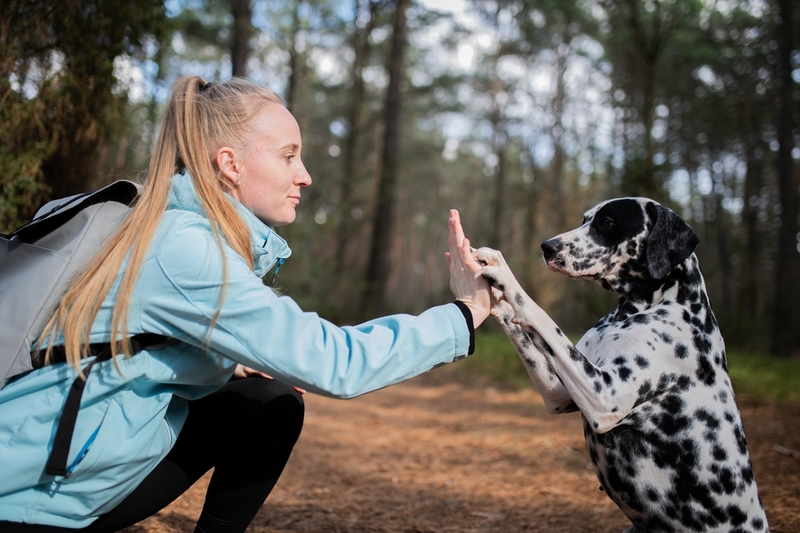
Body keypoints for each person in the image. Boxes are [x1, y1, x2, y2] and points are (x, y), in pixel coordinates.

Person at [0, 76, 491, 533]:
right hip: (34, 499)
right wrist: (464, 315)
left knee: (268, 401)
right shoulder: (184, 247)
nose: (305, 175)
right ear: (230, 164)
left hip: (62, 471)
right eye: (288, 156)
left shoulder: (166, 226)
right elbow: (336, 362)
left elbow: (118, 344)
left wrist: (226, 361)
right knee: (271, 401)